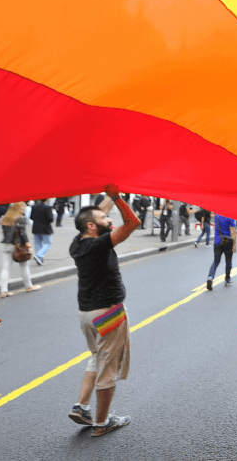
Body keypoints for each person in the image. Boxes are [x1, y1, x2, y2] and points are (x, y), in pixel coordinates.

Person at [68, 186, 141, 436]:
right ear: (91, 226)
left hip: (85, 314)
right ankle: (102, 423)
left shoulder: (77, 243)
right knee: (108, 366)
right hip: (107, 314)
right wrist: (120, 199)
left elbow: (99, 212)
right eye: (104, 219)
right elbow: (133, 222)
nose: (109, 219)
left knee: (96, 358)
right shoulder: (99, 245)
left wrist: (111, 192)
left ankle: (82, 406)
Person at [0, 202, 40, 297]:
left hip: (5, 245)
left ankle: (3, 291)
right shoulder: (21, 218)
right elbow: (22, 233)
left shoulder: (5, 217)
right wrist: (28, 245)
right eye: (22, 207)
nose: (24, 209)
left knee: (5, 268)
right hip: (17, 246)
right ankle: (29, 286)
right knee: (24, 266)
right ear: (18, 208)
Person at [206, 213, 237, 290]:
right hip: (228, 242)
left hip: (217, 242)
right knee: (228, 261)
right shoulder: (230, 216)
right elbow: (232, 231)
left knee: (216, 261)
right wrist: (234, 244)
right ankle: (227, 279)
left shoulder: (217, 215)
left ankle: (210, 277)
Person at [30, 199, 54, 265]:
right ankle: (39, 255)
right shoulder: (48, 208)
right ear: (46, 200)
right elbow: (51, 219)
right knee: (48, 243)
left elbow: (31, 217)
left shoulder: (34, 207)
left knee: (37, 244)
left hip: (36, 228)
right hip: (45, 228)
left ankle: (40, 260)